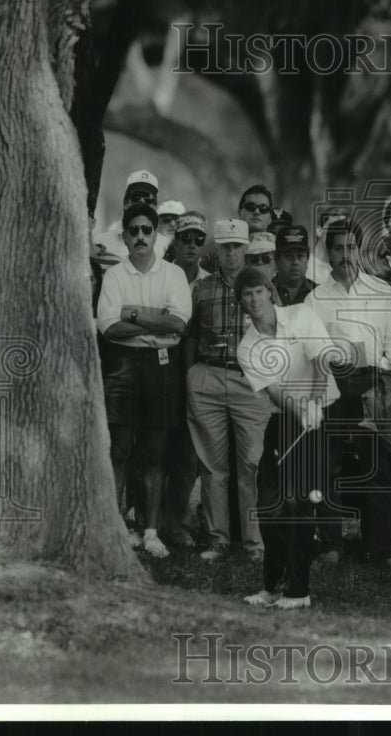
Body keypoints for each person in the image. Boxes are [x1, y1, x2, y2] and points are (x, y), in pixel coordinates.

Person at [305, 220, 391, 570]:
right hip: (333, 386)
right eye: (338, 248)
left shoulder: (381, 290)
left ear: (361, 251)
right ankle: (333, 546)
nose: (345, 255)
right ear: (329, 252)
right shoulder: (315, 298)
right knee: (329, 466)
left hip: (374, 384)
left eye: (351, 248)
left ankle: (384, 550)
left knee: (378, 469)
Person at [236, 267, 339, 610]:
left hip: (318, 416)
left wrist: (314, 403)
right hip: (286, 420)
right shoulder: (247, 347)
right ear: (242, 303)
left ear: (270, 292)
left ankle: (298, 592)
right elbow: (277, 394)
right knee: (268, 504)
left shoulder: (301, 314)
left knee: (298, 505)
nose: (255, 299)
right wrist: (301, 409)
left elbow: (322, 361)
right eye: (247, 295)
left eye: (259, 292)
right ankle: (271, 586)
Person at [97, 202, 192, 558]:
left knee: (155, 451)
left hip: (160, 366)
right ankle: (116, 526)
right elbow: (108, 327)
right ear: (125, 235)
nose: (140, 237)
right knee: (119, 449)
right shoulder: (115, 276)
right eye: (133, 231)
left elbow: (179, 324)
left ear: (156, 234)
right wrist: (156, 323)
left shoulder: (173, 275)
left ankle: (151, 532)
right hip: (122, 366)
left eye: (146, 230)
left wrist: (133, 315)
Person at [184, 218, 272, 563]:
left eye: (238, 246)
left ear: (246, 248)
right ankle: (218, 539)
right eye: (226, 247)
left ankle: (254, 543)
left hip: (249, 380)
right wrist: (192, 375)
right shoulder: (202, 289)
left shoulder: (262, 286)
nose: (232, 253)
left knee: (251, 463)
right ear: (216, 250)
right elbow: (191, 336)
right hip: (208, 375)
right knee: (212, 466)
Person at [161, 212, 210, 548]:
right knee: (153, 448)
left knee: (188, 452)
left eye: (198, 240)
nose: (192, 245)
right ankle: (146, 519)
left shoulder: (210, 282)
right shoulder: (161, 276)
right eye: (186, 238)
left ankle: (178, 523)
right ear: (174, 242)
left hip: (196, 370)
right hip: (160, 366)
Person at [273, 225, 317, 306]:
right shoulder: (265, 291)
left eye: (300, 256)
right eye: (289, 257)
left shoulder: (318, 292)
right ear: (276, 259)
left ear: (307, 259)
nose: (295, 262)